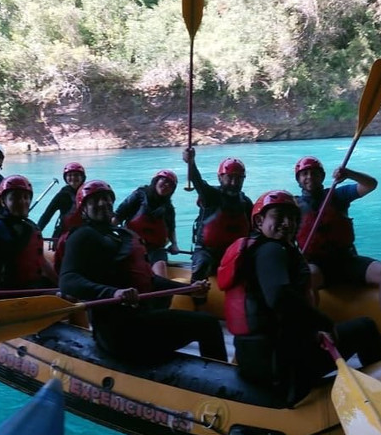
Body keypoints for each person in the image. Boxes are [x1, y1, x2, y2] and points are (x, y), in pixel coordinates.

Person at [218, 190, 381, 405]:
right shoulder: (271, 251)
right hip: (281, 367)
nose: (287, 223)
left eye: (292, 218)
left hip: (256, 360)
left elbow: (277, 311)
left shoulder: (255, 251)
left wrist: (310, 329)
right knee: (365, 327)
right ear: (260, 221)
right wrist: (322, 321)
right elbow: (279, 297)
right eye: (279, 216)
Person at [59, 179, 228, 364]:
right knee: (208, 325)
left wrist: (187, 289)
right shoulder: (83, 235)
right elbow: (68, 280)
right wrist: (113, 292)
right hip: (118, 331)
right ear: (83, 209)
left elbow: (150, 280)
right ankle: (222, 386)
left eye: (106, 199)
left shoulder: (122, 234)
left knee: (205, 323)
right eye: (94, 201)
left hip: (140, 321)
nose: (102, 203)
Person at [294, 156, 381, 348]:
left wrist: (348, 173)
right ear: (298, 179)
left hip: (346, 260)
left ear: (322, 176)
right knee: (308, 277)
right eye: (304, 174)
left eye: (314, 173)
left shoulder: (337, 195)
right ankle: (313, 334)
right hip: (317, 264)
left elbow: (371, 184)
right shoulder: (293, 207)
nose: (309, 177)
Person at [0, 175, 57, 293]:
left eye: (26, 197)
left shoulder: (31, 227)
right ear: (2, 201)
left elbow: (42, 261)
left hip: (32, 288)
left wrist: (60, 283)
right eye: (14, 198)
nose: (22, 202)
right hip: (6, 292)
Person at [183, 147, 253, 282]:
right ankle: (198, 298)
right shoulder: (210, 196)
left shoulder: (246, 203)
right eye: (230, 177)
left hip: (235, 253)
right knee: (201, 266)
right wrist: (191, 163)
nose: (234, 183)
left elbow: (256, 229)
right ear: (220, 178)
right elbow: (197, 181)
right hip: (207, 252)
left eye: (238, 179)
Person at [114, 169, 181, 277]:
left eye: (170, 184)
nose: (166, 185)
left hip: (155, 250)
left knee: (160, 272)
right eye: (163, 181)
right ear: (156, 181)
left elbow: (171, 229)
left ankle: (160, 289)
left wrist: (174, 244)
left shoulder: (168, 209)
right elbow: (118, 216)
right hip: (131, 246)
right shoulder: (139, 195)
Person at [37, 161, 87, 241]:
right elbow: (47, 215)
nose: (73, 178)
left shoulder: (88, 193)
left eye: (76, 175)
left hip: (86, 233)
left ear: (82, 177)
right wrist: (36, 233)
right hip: (66, 234)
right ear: (66, 178)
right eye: (70, 175)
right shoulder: (62, 195)